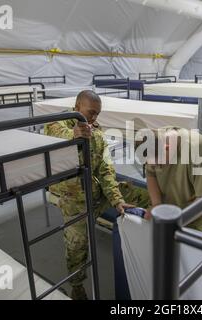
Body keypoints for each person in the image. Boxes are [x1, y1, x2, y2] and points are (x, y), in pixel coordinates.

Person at [44, 90, 149, 300]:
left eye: (97, 114)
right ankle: (76, 286)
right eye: (90, 112)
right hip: (75, 203)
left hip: (97, 192)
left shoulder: (97, 135)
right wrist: (74, 134)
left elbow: (106, 171)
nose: (93, 118)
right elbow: (51, 134)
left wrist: (117, 200)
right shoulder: (57, 124)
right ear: (77, 108)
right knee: (77, 246)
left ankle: (157, 237)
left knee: (140, 194)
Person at [143, 126, 202, 236]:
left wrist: (176, 222)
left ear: (167, 148)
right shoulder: (154, 144)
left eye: (159, 165)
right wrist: (156, 204)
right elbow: (151, 174)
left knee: (196, 251)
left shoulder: (198, 148)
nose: (157, 168)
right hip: (171, 209)